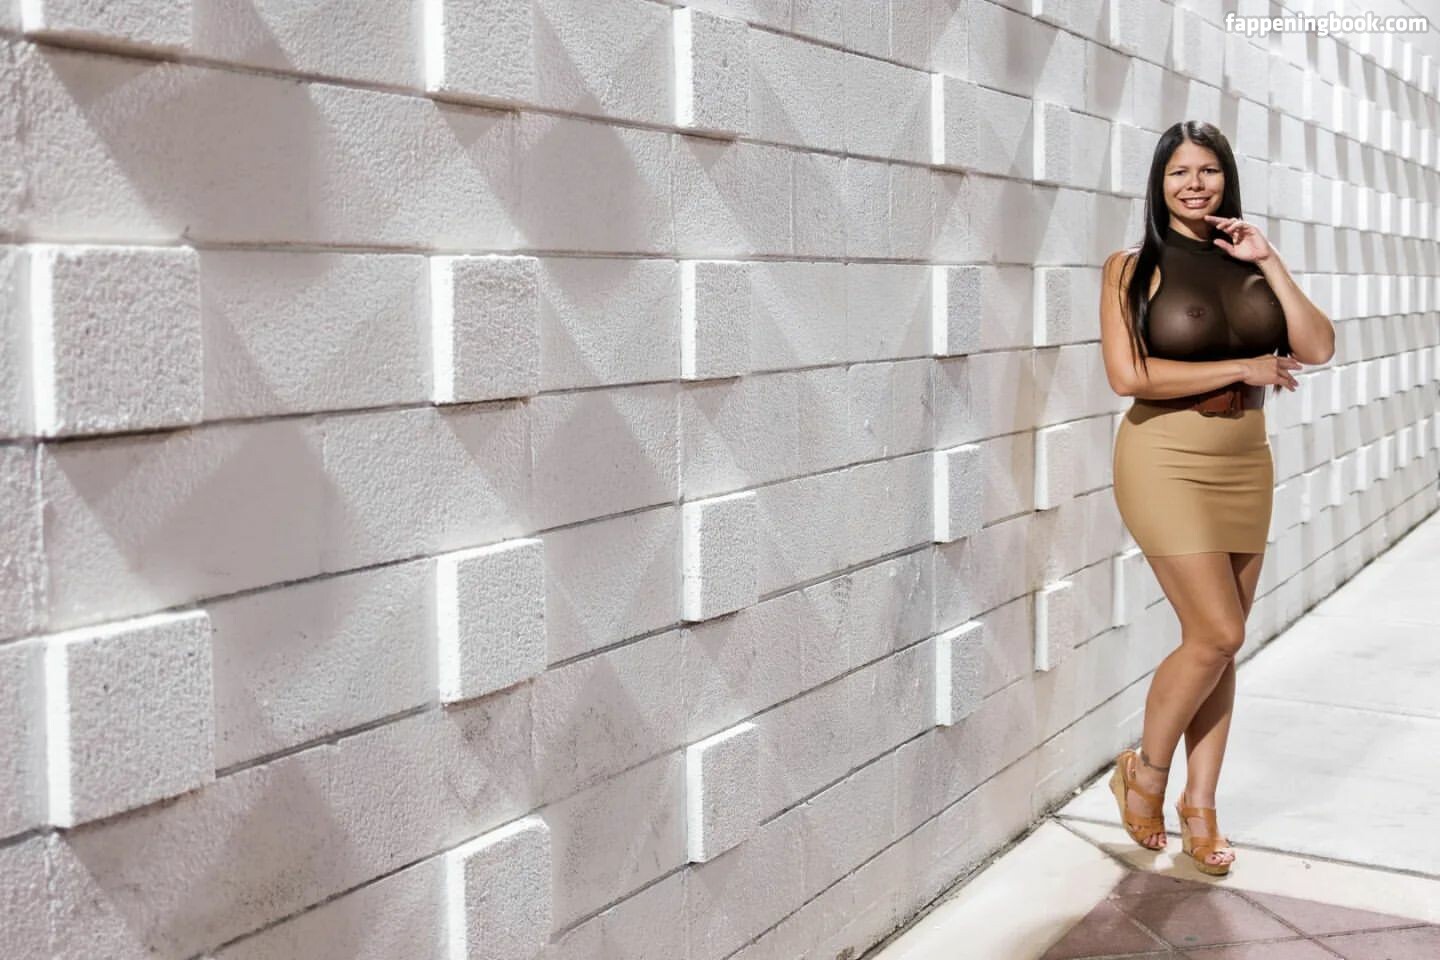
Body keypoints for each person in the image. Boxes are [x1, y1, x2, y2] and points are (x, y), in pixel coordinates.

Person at [1098, 121, 1336, 876]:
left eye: (1208, 171)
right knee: (1217, 632)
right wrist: (1243, 366)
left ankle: (1200, 808)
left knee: (1222, 644)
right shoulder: (1131, 269)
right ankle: (1146, 772)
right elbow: (1130, 377)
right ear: (1159, 182)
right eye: (1179, 172)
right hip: (1164, 455)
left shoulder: (1250, 263)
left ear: (1227, 179)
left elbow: (1318, 346)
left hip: (1244, 457)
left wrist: (1270, 260)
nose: (1194, 184)